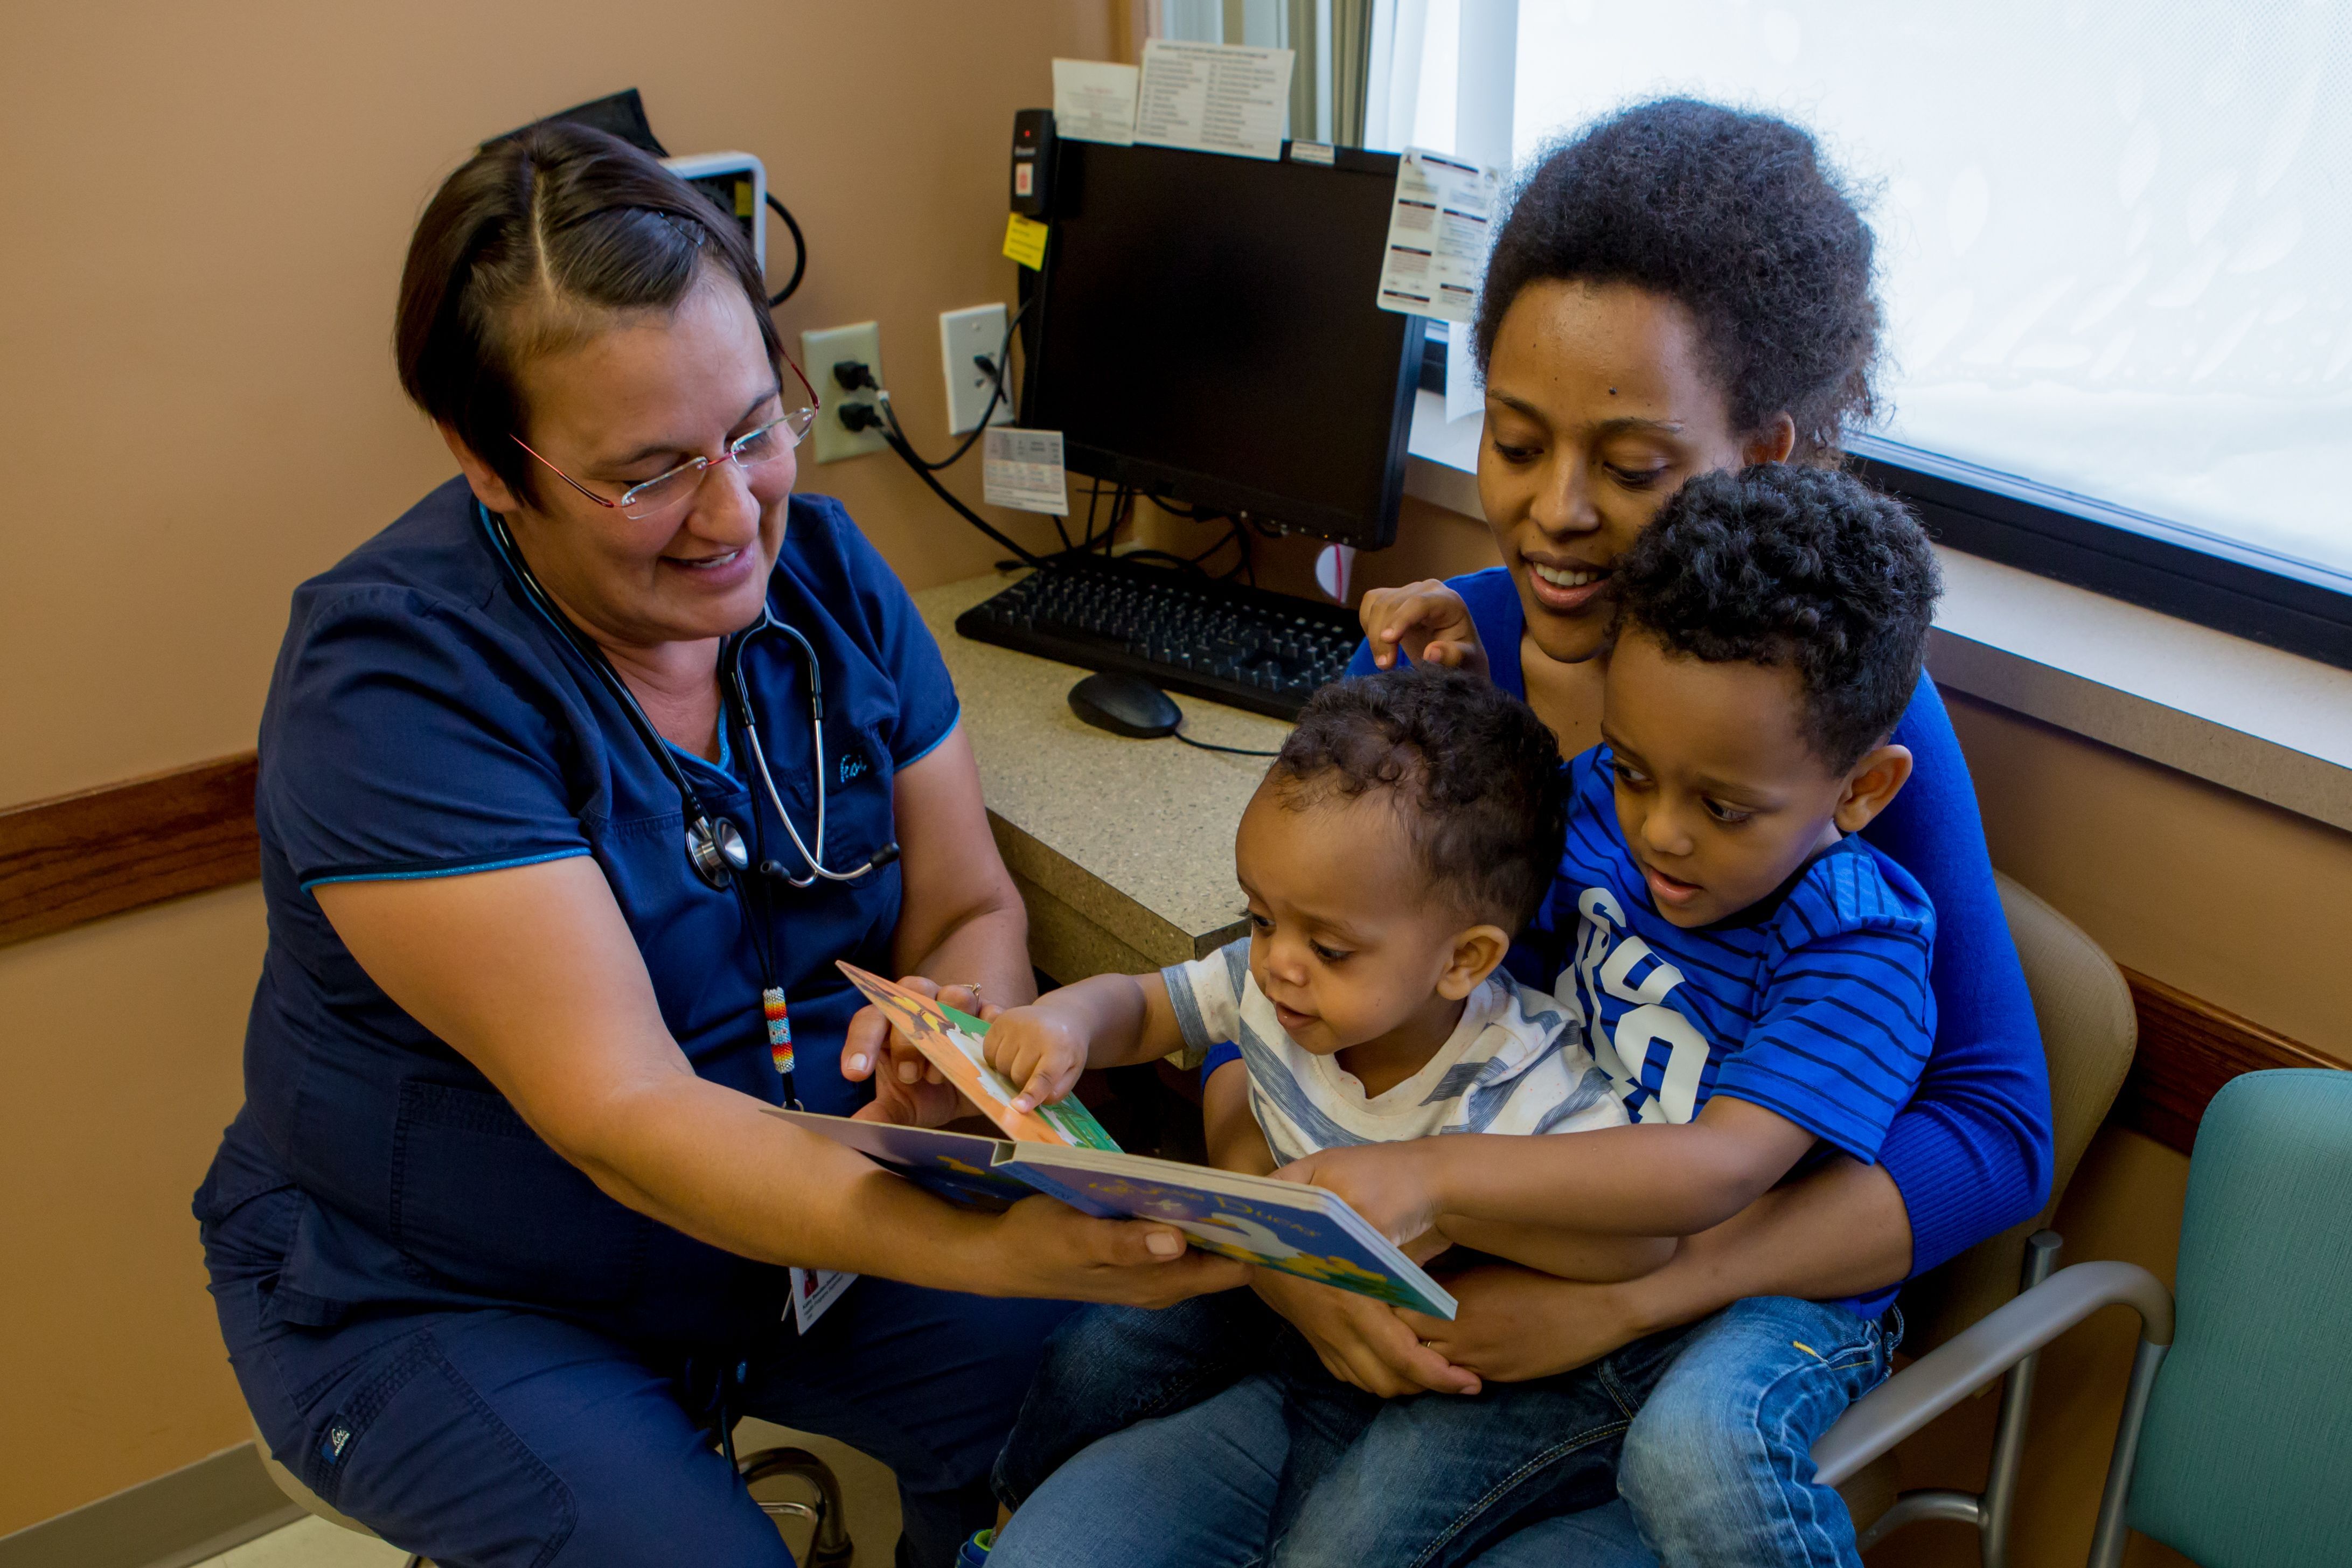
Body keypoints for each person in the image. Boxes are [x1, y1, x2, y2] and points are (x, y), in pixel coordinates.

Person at [954, 97, 2051, 1568]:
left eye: (1634, 465)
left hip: (1655, 1335)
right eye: (1516, 442)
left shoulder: (1830, 731)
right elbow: (1295, 999)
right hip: (1411, 1277)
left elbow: (1991, 1136)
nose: (1554, 515)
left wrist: (1620, 1303)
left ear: (1767, 457)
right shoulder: (1450, 653)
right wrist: (1298, 1255)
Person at [191, 121, 1241, 1568]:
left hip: (811, 1229)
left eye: (756, 429)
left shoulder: (825, 580)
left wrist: (964, 1051)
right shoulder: (396, 684)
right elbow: (622, 1119)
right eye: (648, 474)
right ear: (488, 464)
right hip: (454, 1291)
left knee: (1115, 1400)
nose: (733, 511)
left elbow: (964, 907)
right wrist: (988, 1243)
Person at [986, 464, 1947, 1568]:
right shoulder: (1600, 808)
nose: (1658, 834)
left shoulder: (1855, 943)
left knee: (1693, 1449)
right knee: (1117, 1347)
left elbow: (1713, 1174)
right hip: (1554, 1214)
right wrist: (1476, 726)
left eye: (1720, 805)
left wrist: (1434, 1177)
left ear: (1862, 791)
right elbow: (1450, 887)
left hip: (1754, 1288)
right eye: (1634, 769)